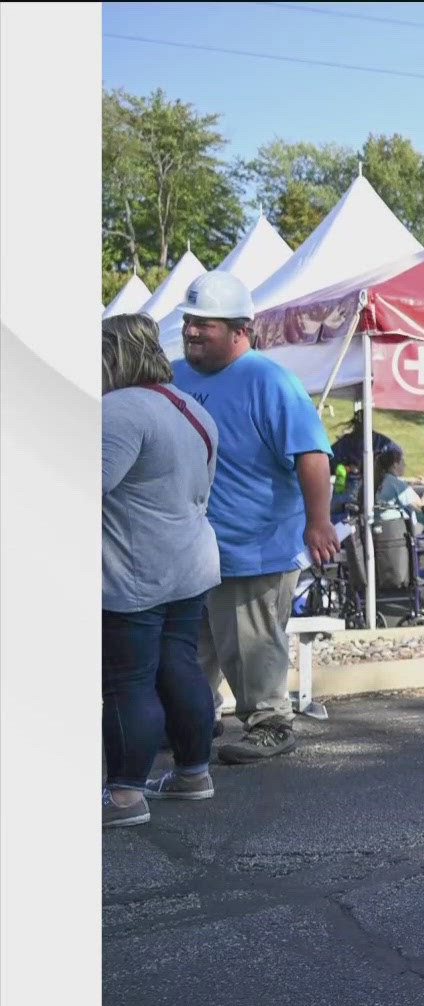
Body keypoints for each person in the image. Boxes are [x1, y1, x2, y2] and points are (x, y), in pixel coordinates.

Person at [169, 270, 338, 764]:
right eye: (190, 321)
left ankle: (270, 724)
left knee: (250, 645)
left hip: (255, 545)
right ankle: (194, 719)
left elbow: (311, 454)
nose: (193, 330)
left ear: (240, 329)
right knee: (190, 644)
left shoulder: (270, 380)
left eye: (207, 324)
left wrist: (318, 521)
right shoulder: (176, 377)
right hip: (190, 544)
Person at [101, 314, 224, 826]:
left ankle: (125, 796)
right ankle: (193, 773)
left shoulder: (119, 410)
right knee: (179, 665)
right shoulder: (190, 408)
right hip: (189, 562)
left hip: (135, 567)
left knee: (129, 681)